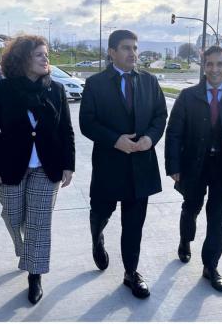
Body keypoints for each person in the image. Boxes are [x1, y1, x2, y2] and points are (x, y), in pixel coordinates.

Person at [0, 35, 75, 304]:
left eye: (46, 54)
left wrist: (69, 164)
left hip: (48, 168)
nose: (46, 59)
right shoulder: (5, 89)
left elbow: (65, 129)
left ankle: (35, 274)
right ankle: (26, 250)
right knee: (12, 215)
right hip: (11, 165)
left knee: (39, 224)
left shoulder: (55, 90)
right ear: (22, 59)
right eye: (39, 55)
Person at [79, 30, 167, 299]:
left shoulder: (150, 82)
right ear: (111, 52)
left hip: (141, 165)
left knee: (133, 224)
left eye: (135, 48)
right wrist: (114, 140)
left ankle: (131, 272)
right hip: (109, 164)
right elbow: (87, 123)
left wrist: (150, 139)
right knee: (101, 213)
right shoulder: (95, 84)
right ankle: (97, 237)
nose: (133, 53)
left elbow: (160, 115)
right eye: (126, 48)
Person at [165, 45, 222, 292]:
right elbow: (173, 133)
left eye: (219, 64)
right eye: (209, 64)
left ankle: (210, 267)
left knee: (218, 220)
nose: (214, 69)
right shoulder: (187, 96)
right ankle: (185, 240)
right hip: (194, 165)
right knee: (191, 208)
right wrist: (173, 166)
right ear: (203, 66)